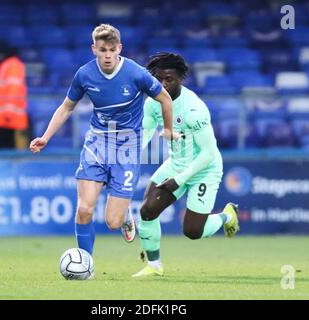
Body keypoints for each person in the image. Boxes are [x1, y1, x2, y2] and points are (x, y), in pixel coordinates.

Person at [29, 25, 179, 270]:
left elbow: (164, 97)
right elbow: (67, 106)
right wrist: (46, 137)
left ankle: (124, 217)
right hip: (97, 143)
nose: (107, 55)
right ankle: (85, 265)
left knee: (112, 221)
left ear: (119, 48)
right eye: (102, 50)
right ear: (94, 49)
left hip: (127, 147)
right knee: (85, 209)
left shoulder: (136, 73)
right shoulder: (84, 74)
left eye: (111, 49)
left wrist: (169, 129)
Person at [132, 53, 240, 278]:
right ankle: (154, 265)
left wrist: (179, 180)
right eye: (158, 79)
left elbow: (209, 154)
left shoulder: (194, 110)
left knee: (192, 231)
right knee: (147, 210)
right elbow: (144, 134)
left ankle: (226, 215)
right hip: (177, 163)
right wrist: (126, 159)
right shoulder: (153, 103)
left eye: (169, 79)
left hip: (205, 168)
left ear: (181, 78)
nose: (163, 84)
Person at [0, 43, 28, 149]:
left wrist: (9, 114)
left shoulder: (12, 65)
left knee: (6, 148)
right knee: (3, 147)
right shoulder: (4, 65)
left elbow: (14, 90)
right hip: (1, 117)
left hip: (6, 117)